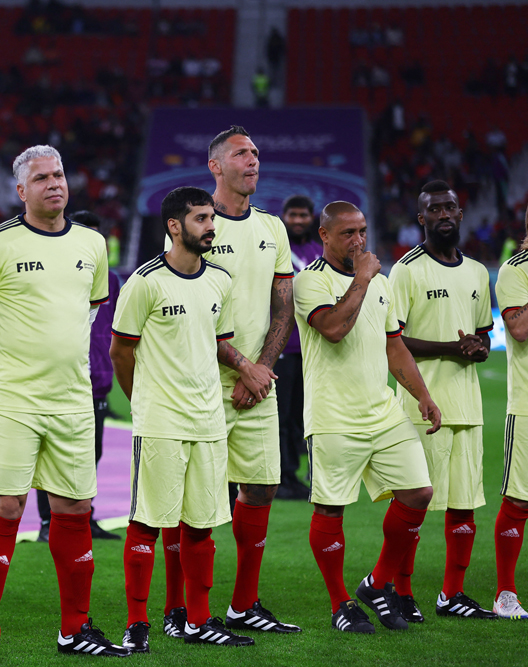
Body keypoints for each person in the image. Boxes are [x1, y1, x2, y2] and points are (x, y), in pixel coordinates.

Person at [0, 145, 129, 663]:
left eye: (59, 175)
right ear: (20, 190)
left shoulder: (92, 244)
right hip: (13, 399)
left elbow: (93, 310)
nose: (54, 184)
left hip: (72, 399)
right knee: (6, 506)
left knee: (74, 508)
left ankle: (75, 628)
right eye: (42, 178)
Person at [112, 187, 277, 652]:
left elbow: (218, 341)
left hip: (208, 418)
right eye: (202, 219)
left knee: (201, 524)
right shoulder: (144, 282)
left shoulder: (218, 281)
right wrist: (142, 401)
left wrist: (244, 367)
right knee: (147, 521)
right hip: (161, 420)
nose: (211, 226)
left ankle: (198, 620)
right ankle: (137, 622)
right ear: (174, 226)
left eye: (211, 218)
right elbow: (121, 351)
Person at [162, 125, 298, 638]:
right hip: (201, 382)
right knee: (191, 499)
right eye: (242, 154)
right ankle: (180, 610)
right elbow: (189, 310)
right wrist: (244, 366)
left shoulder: (272, 227)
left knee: (261, 486)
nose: (254, 160)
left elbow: (282, 306)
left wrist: (260, 367)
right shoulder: (196, 223)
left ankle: (243, 605)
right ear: (216, 166)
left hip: (258, 382)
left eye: (257, 153)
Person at [295, 201, 440, 634]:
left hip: (384, 413)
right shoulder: (309, 282)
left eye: (362, 231)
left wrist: (422, 394)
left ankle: (376, 584)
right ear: (324, 236)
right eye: (347, 234)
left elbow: (394, 345)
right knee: (330, 508)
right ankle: (341, 602)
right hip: (333, 417)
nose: (359, 241)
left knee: (418, 493)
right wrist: (360, 279)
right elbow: (335, 329)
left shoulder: (381, 282)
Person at [388, 180, 497, 621]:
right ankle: (401, 592)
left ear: (461, 213)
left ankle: (452, 595)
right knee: (414, 504)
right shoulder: (406, 270)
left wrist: (478, 349)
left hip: (467, 407)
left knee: (464, 505)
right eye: (435, 209)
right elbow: (392, 340)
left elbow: (483, 335)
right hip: (421, 406)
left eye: (451, 207)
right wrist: (453, 349)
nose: (445, 214)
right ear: (422, 219)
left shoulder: (475, 272)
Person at [36, 210, 121, 544]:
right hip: (61, 379)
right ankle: (47, 521)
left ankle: (87, 516)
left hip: (96, 381)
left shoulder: (111, 280)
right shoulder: (57, 273)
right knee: (52, 455)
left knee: (90, 455)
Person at [491, 204, 528, 620]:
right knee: (519, 501)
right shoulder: (515, 270)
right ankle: (505, 594)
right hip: (527, 406)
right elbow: (517, 328)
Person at [275, 195, 323, 501]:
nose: (297, 220)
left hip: (312, 348)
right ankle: (280, 477)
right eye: (292, 215)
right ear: (284, 216)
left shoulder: (321, 251)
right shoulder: (275, 251)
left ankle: (293, 473)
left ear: (311, 217)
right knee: (280, 416)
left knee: (302, 417)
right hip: (281, 347)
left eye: (303, 215)